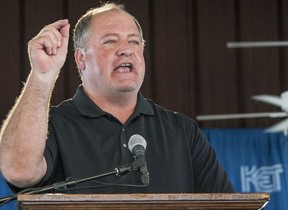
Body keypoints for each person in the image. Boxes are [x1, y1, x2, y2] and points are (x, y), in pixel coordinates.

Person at [0, 3, 234, 194]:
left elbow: (229, 209)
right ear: (81, 59)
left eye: (134, 41)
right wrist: (42, 76)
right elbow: (19, 171)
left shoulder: (181, 130)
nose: (126, 49)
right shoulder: (52, 126)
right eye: (110, 41)